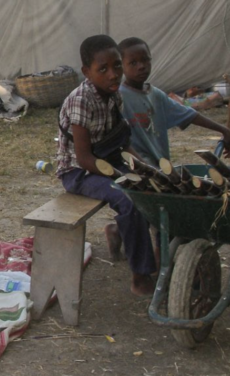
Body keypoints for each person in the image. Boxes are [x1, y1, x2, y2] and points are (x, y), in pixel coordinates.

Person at [56, 35, 156, 296]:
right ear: (86, 72)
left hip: (106, 161)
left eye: (117, 67)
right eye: (103, 69)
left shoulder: (114, 97)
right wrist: (123, 177)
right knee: (128, 197)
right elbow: (84, 158)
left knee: (148, 186)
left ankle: (126, 236)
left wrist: (143, 167)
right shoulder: (81, 100)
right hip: (78, 172)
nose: (113, 75)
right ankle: (140, 274)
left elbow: (121, 143)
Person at [118, 37, 230, 166]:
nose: (141, 66)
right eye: (133, 63)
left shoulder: (156, 95)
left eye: (145, 60)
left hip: (162, 167)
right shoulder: (119, 97)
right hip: (137, 167)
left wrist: (224, 130)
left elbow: (190, 115)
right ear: (121, 66)